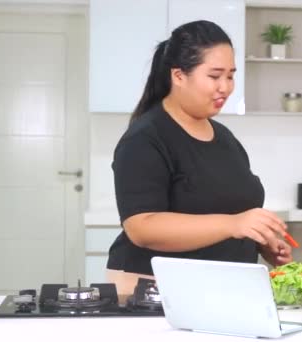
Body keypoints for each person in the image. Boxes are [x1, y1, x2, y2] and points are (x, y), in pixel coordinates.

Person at [106, 20, 292, 295]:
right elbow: (141, 228)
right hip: (156, 291)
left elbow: (231, 210)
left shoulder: (224, 137)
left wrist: (261, 241)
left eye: (230, 76)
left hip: (223, 288)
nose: (226, 87)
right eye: (215, 76)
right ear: (179, 76)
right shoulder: (145, 138)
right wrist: (235, 224)